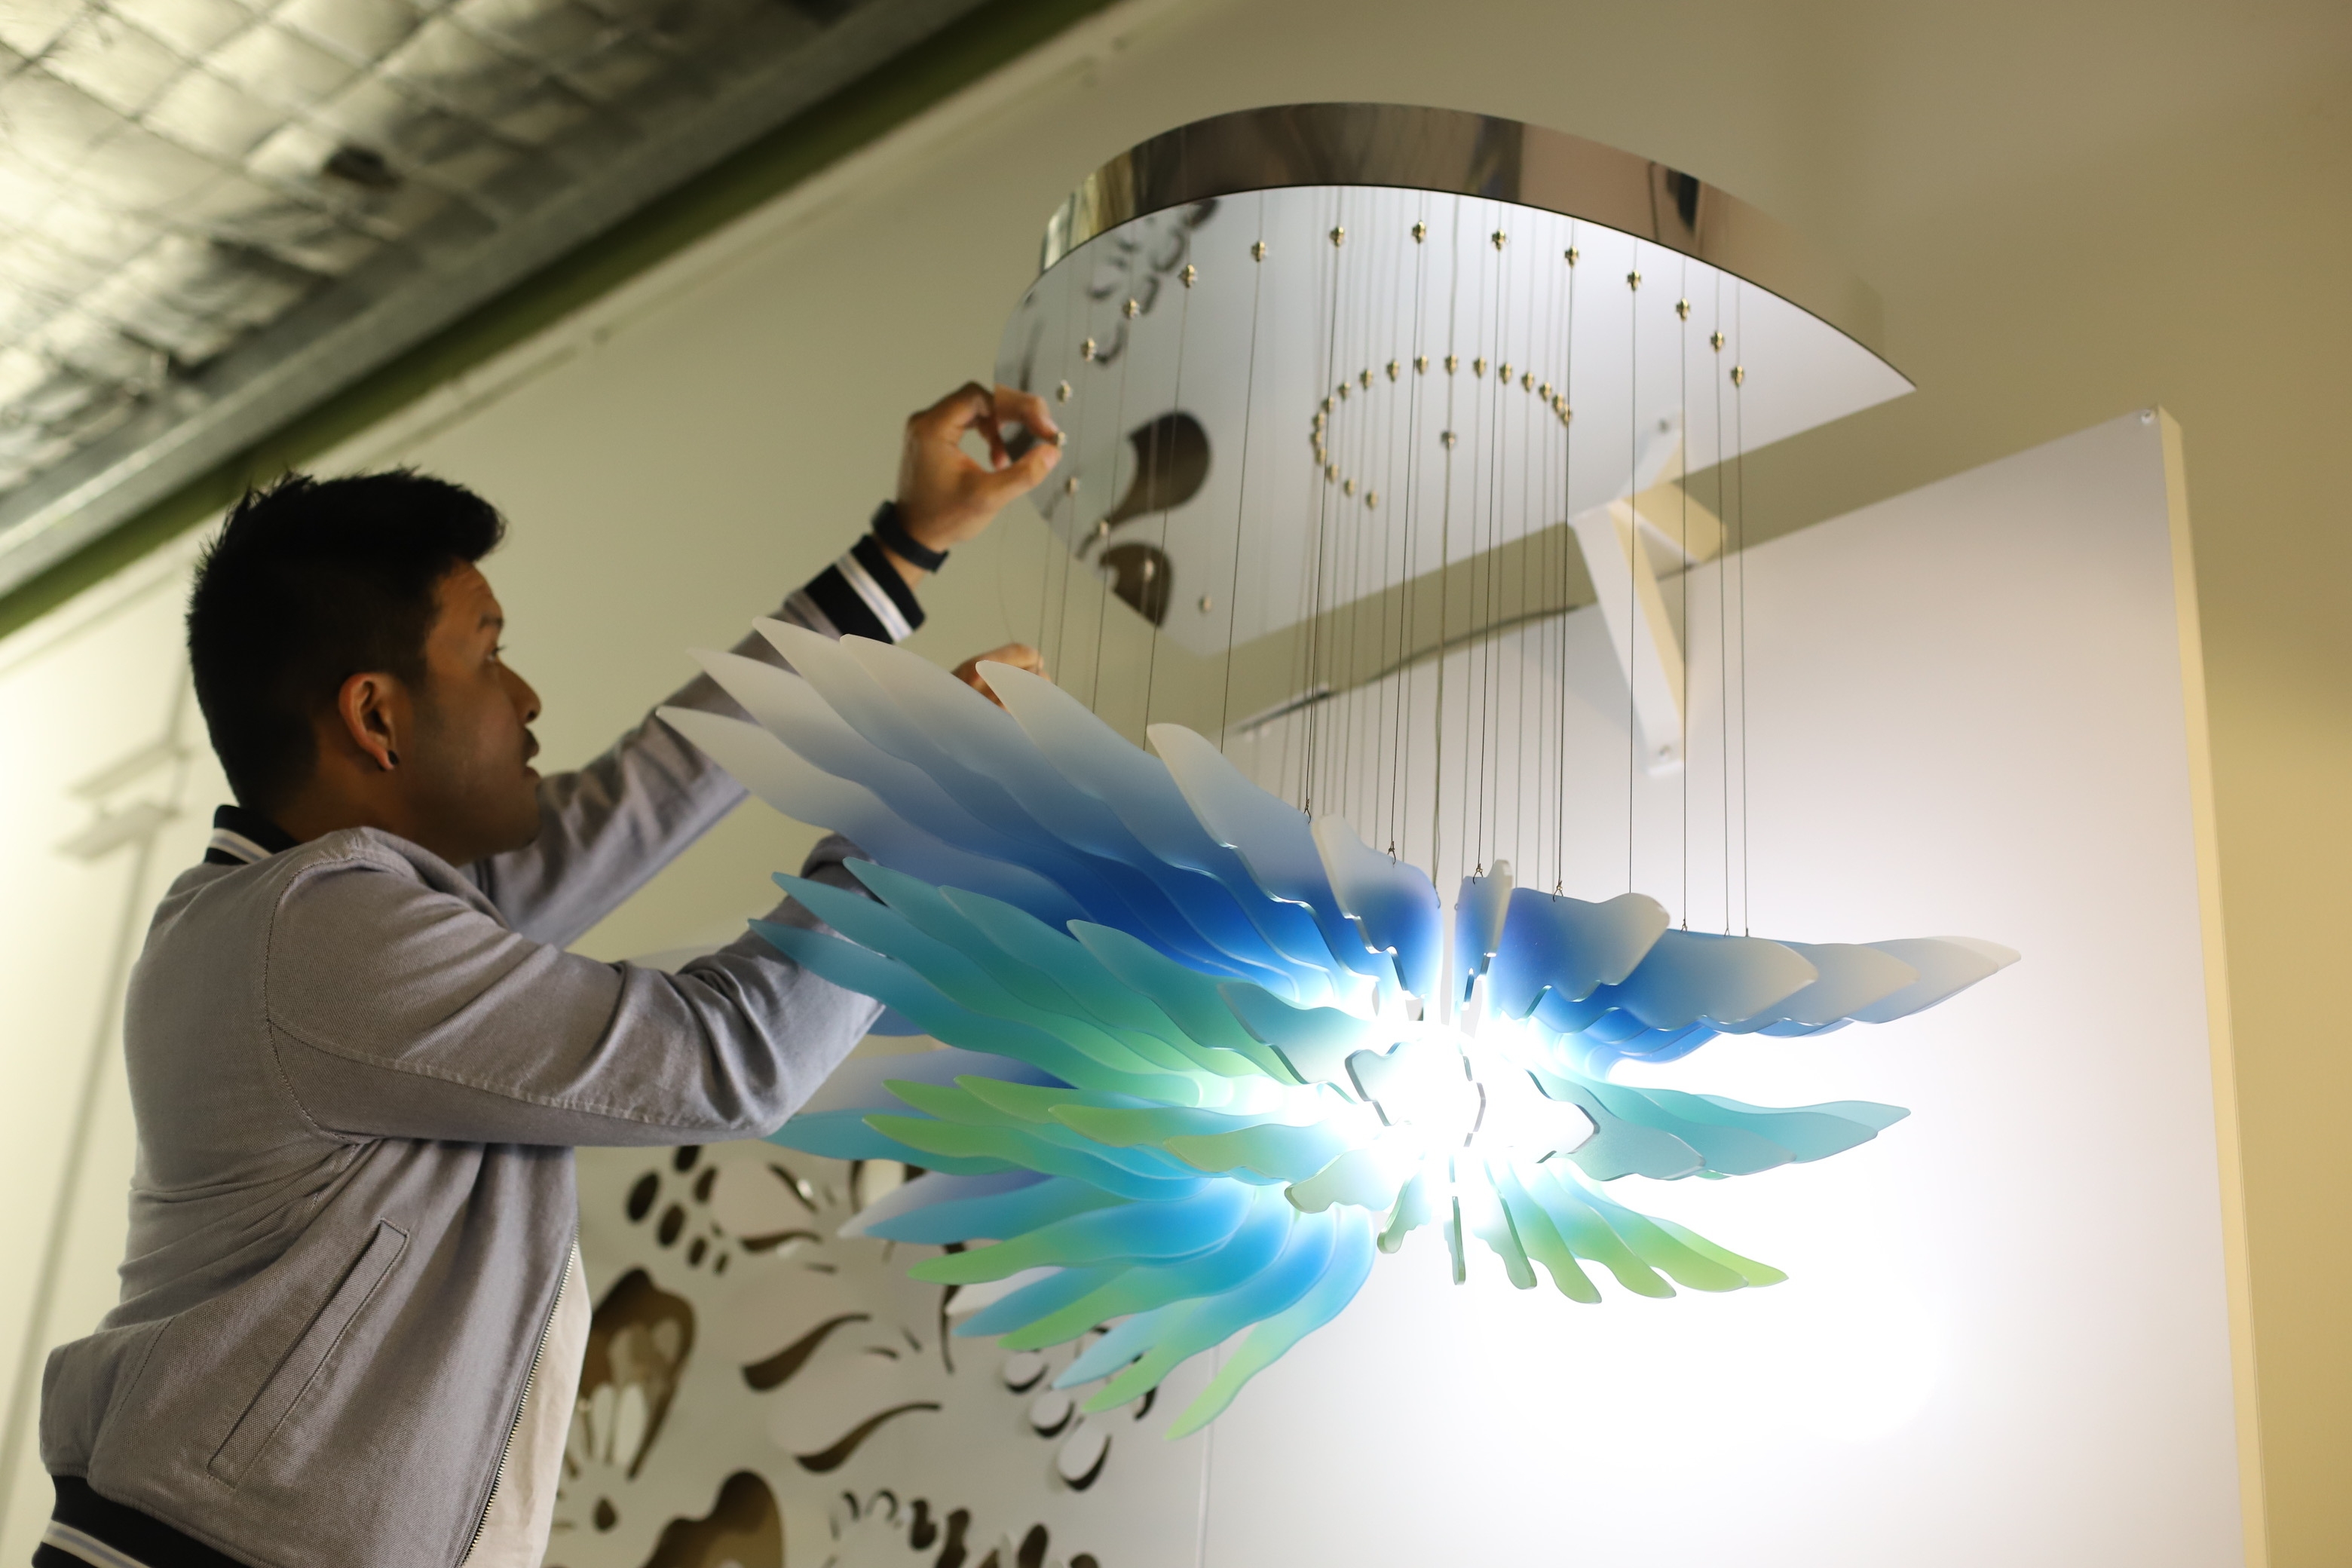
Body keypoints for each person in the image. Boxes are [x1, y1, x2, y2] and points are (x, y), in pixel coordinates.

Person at [31, 384, 1059, 1568]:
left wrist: (903, 550)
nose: (524, 697)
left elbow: (649, 794)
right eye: (489, 652)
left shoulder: (327, 911)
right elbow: (731, 1060)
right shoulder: (315, 936)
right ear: (376, 717)